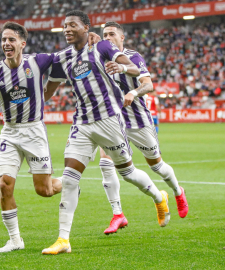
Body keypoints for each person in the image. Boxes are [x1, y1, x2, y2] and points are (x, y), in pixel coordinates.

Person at [41, 11, 170, 255]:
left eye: (72, 25)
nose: (67, 29)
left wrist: (122, 69)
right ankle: (63, 239)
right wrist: (32, 105)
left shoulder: (101, 46)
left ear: (86, 27)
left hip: (110, 121)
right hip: (82, 123)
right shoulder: (62, 58)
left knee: (128, 173)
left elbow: (132, 67)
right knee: (69, 177)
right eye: (64, 26)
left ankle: (158, 197)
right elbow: (50, 89)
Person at [0, 22, 63, 253]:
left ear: (22, 43)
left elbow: (64, 58)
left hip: (34, 131)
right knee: (5, 184)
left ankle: (70, 183)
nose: (6, 44)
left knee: (44, 191)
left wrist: (90, 40)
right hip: (10, 132)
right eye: (3, 40)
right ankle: (15, 240)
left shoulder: (38, 61)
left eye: (11, 39)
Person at [96, 21, 188, 235]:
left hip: (137, 121)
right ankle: (118, 214)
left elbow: (149, 84)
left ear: (121, 38)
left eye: (112, 34)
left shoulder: (132, 57)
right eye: (105, 35)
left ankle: (176, 191)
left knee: (157, 166)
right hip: (112, 122)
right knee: (107, 164)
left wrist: (133, 93)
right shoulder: (99, 60)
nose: (108, 38)